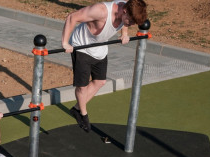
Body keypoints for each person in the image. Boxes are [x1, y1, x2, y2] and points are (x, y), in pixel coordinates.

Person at [61, 0, 147, 132]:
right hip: (82, 46)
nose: (130, 24)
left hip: (99, 47)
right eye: (130, 22)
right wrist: (65, 43)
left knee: (100, 81)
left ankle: (76, 109)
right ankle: (83, 114)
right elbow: (72, 17)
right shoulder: (100, 11)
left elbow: (125, 21)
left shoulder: (126, 9)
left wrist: (124, 33)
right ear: (124, 11)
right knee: (82, 87)